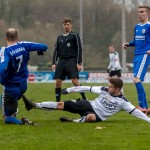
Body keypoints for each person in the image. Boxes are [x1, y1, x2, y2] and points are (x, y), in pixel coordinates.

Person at [22, 77, 150, 123]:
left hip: (97, 115)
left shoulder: (123, 101)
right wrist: (70, 90)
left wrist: (148, 120)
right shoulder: (104, 89)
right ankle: (33, 105)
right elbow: (87, 88)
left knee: (91, 118)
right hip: (87, 104)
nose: (108, 87)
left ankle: (73, 121)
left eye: (111, 86)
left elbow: (135, 112)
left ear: (117, 89)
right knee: (61, 105)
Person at [0, 28, 48, 125]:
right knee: (6, 100)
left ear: (6, 38)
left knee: (7, 119)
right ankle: (13, 108)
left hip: (11, 87)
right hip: (23, 85)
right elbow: (44, 46)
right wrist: (39, 50)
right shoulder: (24, 45)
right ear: (17, 37)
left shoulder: (5, 51)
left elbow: (2, 68)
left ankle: (24, 122)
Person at [51, 18, 87, 102]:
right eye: (65, 24)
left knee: (74, 81)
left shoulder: (75, 35)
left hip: (71, 60)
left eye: (68, 24)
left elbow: (79, 49)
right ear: (63, 25)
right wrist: (54, 63)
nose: (66, 26)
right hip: (61, 61)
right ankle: (58, 102)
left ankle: (84, 98)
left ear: (71, 25)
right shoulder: (59, 37)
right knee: (58, 82)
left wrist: (79, 63)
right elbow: (56, 51)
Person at [123, 5, 150, 112]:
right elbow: (136, 41)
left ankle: (142, 106)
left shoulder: (149, 26)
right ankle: (146, 108)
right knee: (137, 81)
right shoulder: (137, 27)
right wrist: (128, 44)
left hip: (145, 55)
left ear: (147, 13)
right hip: (136, 55)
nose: (139, 14)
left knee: (136, 80)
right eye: (138, 12)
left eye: (142, 12)